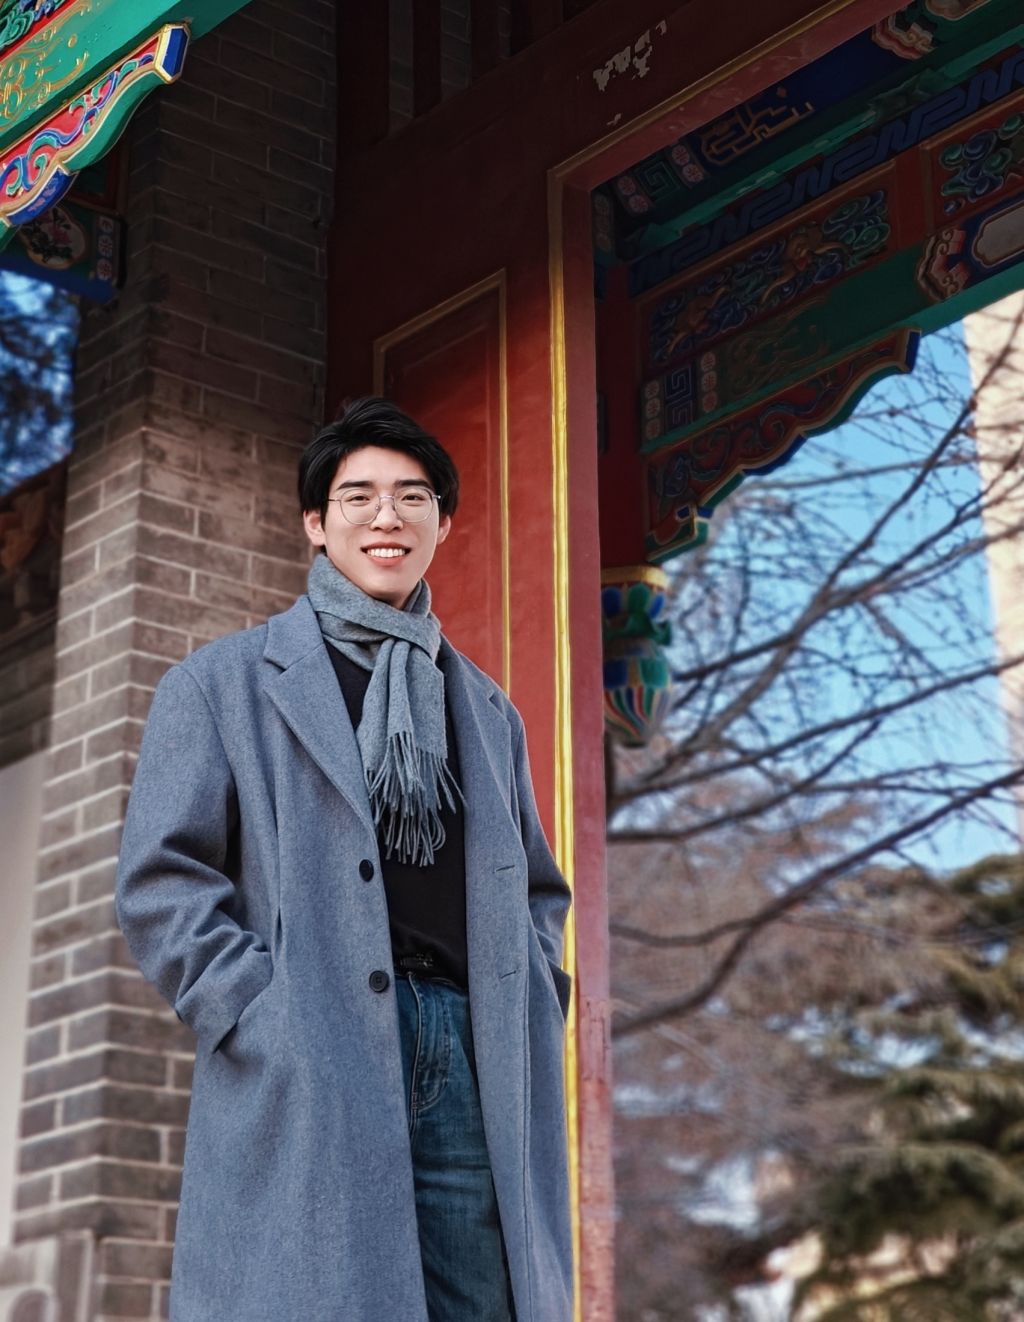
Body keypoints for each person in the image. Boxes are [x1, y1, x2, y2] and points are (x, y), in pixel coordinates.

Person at [114, 397, 574, 1322]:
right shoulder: (221, 683)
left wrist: (534, 995)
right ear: (316, 525)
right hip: (312, 1037)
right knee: (319, 1294)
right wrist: (257, 1011)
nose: (386, 517)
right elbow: (165, 880)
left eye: (412, 497)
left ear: (443, 523)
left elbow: (536, 887)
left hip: (470, 1044)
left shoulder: (488, 711)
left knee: (481, 1302)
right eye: (357, 497)